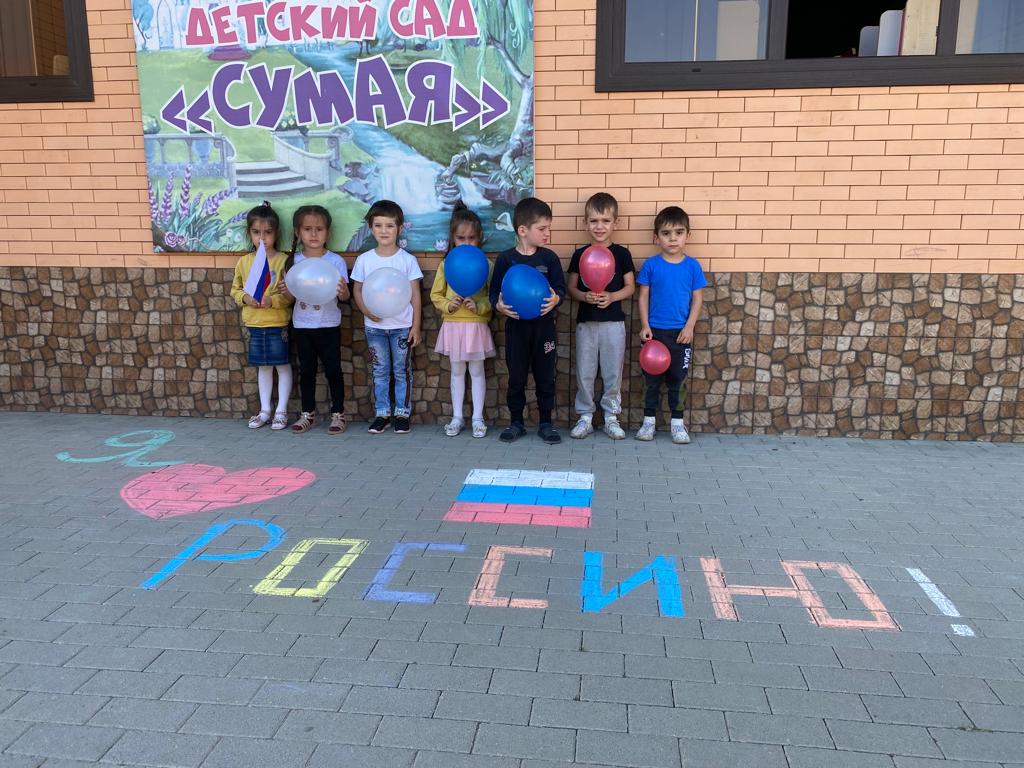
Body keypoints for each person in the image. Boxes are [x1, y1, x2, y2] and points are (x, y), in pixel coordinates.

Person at [491, 197, 566, 444]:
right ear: (523, 230)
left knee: (545, 377)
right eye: (542, 229)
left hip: (544, 329)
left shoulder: (550, 259)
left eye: (548, 228)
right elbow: (494, 293)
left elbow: (560, 289)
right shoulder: (505, 260)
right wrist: (499, 306)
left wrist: (556, 300)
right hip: (516, 329)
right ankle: (516, 423)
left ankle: (546, 423)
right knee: (517, 377)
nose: (547, 234)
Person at [566, 192, 636, 440]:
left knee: (612, 373)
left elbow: (630, 287)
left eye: (606, 221)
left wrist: (612, 296)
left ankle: (611, 417)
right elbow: (571, 287)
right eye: (594, 221)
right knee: (584, 372)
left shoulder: (622, 254)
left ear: (616, 223)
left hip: (614, 324)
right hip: (586, 323)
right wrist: (584, 297)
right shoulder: (580, 254)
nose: (599, 226)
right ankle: (585, 416)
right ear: (585, 223)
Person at [351, 200, 423, 434]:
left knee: (402, 371)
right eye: (378, 225)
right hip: (375, 328)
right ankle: (382, 413)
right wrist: (365, 310)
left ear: (399, 228)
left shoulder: (407, 260)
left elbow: (415, 294)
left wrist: (416, 327)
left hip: (402, 326)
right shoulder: (364, 260)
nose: (384, 231)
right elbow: (357, 289)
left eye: (390, 226)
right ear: (371, 228)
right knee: (380, 370)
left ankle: (402, 413)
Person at [636, 206, 707, 444]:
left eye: (679, 232)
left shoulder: (693, 266)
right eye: (666, 233)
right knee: (651, 382)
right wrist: (645, 325)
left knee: (678, 380)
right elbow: (643, 296)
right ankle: (648, 422)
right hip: (654, 334)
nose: (673, 238)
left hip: (680, 335)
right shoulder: (651, 265)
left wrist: (689, 327)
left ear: (688, 235)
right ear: (656, 238)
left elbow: (697, 298)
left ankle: (677, 424)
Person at [281, 205, 350, 435]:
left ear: (328, 232)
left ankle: (338, 413)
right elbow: (291, 297)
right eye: (307, 229)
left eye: (319, 229)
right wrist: (286, 291)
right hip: (302, 325)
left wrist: (343, 292)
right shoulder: (293, 261)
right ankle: (307, 414)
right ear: (297, 232)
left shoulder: (335, 261)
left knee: (333, 370)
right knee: (307, 371)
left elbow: (345, 297)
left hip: (329, 324)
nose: (313, 234)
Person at [431, 201, 495, 438]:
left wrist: (480, 306)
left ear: (480, 238)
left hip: (476, 326)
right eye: (461, 238)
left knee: (477, 371)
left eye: (471, 238)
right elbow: (436, 294)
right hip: (453, 326)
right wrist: (448, 305)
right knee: (457, 371)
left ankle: (478, 418)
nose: (466, 243)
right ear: (452, 238)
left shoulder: (486, 265)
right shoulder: (446, 264)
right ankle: (457, 417)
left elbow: (493, 297)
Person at [230, 201, 294, 430]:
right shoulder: (244, 262)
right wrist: (245, 298)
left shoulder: (284, 260)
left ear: (276, 233)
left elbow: (290, 295)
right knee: (263, 367)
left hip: (278, 323)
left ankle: (281, 411)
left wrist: (272, 300)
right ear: (250, 233)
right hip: (254, 324)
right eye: (257, 232)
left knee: (282, 365)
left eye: (268, 232)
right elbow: (235, 289)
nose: (262, 238)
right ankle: (265, 410)